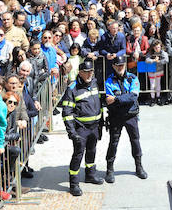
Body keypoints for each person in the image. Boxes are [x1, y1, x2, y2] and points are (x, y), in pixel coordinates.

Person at [60, 59, 104, 196]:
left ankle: (90, 174)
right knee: (78, 154)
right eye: (86, 72)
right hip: (81, 128)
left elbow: (98, 103)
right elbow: (67, 113)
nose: (90, 74)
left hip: (94, 126)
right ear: (80, 73)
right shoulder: (72, 88)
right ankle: (74, 184)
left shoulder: (94, 83)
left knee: (92, 150)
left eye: (91, 71)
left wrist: (101, 122)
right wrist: (72, 132)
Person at [103, 58, 147, 183]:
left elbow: (133, 96)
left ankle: (139, 166)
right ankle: (109, 169)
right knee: (113, 142)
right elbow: (108, 99)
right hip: (116, 116)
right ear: (113, 66)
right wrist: (122, 99)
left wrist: (117, 99)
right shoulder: (109, 81)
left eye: (122, 65)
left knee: (135, 141)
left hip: (131, 115)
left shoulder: (132, 78)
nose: (120, 67)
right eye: (118, 65)